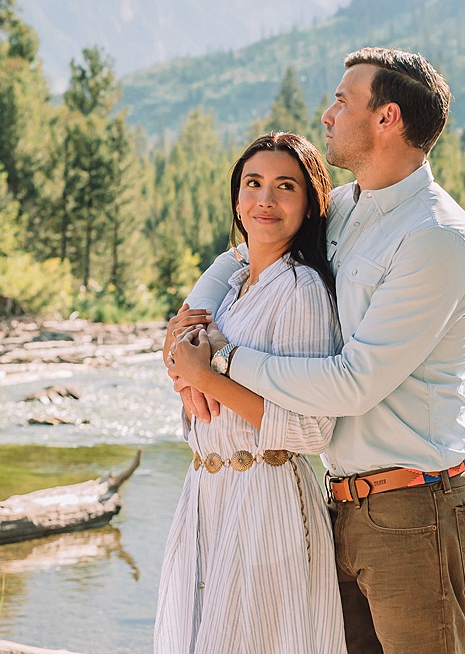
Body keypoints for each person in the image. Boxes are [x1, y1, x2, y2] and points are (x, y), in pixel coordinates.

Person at [168, 47, 465, 654]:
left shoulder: (436, 236)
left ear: (386, 117)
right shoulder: (343, 207)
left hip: (417, 505)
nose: (328, 114)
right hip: (338, 505)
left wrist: (223, 360)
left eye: (343, 100)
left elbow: (355, 382)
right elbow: (244, 251)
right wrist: (187, 322)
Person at [154, 132, 346, 654]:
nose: (265, 199)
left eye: (286, 187)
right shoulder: (233, 289)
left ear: (309, 205)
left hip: (268, 502)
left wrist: (205, 377)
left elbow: (311, 429)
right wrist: (182, 368)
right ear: (237, 199)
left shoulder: (303, 291)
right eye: (253, 184)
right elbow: (202, 397)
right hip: (207, 496)